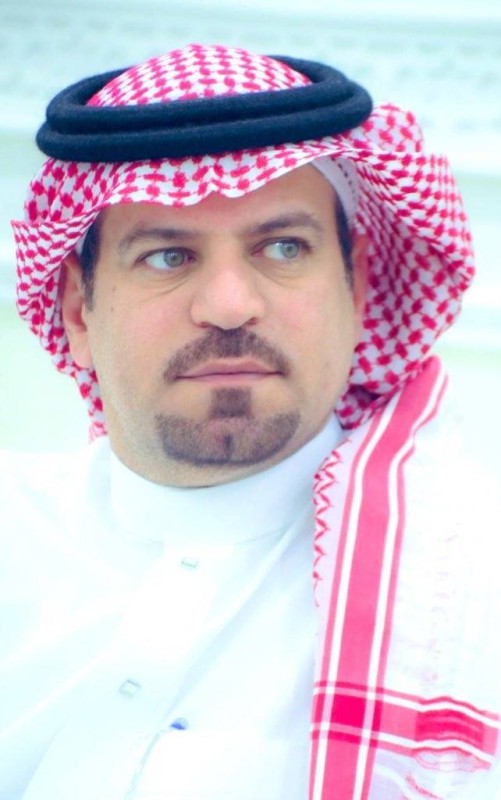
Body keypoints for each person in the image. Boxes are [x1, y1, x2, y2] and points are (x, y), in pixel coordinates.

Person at [2, 43, 500, 800]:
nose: (230, 306)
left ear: (358, 288)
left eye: (282, 247)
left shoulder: (470, 582)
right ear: (77, 311)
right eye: (167, 256)